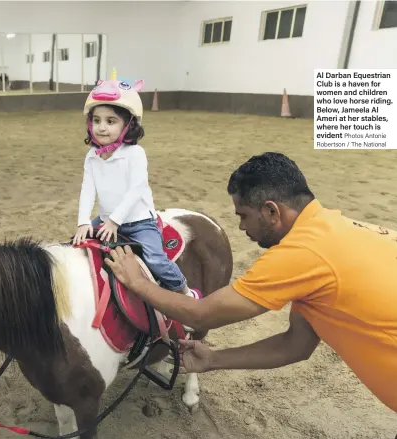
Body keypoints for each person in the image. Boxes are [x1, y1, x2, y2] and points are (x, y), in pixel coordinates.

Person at [104, 152, 397, 412]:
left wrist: (139, 283)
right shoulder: (343, 230)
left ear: (271, 212)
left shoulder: (302, 253)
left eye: (243, 216)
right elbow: (297, 345)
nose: (242, 227)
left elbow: (203, 314)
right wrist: (214, 359)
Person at [72, 72, 193, 297]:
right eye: (96, 120)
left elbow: (136, 190)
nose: (101, 127)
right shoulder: (92, 156)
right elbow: (87, 190)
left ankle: (185, 291)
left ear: (128, 125)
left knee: (155, 259)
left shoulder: (135, 154)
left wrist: (115, 221)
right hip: (107, 220)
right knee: (79, 248)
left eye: (111, 121)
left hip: (138, 222)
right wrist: (82, 222)